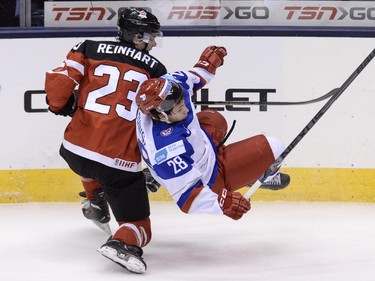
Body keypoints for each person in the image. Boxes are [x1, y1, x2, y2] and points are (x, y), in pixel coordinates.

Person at [45, 7, 167, 274]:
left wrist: (59, 105)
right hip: (116, 164)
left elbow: (59, 80)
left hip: (73, 151)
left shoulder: (87, 47)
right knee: (140, 226)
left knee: (89, 158)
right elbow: (157, 119)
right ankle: (122, 243)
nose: (154, 42)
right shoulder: (156, 69)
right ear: (137, 36)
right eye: (151, 36)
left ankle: (95, 196)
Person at [135, 46, 290, 220]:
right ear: (161, 115)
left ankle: (162, 174)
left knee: (214, 118)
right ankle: (264, 177)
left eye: (183, 102)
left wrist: (209, 62)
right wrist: (223, 203)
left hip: (197, 148)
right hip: (210, 177)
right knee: (275, 147)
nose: (186, 109)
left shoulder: (170, 86)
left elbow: (198, 74)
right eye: (179, 109)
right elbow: (188, 200)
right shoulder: (166, 149)